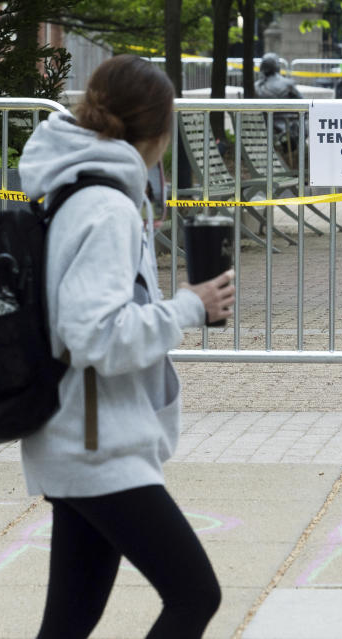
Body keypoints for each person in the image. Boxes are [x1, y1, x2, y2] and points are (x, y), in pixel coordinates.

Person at [17, 54, 234, 639]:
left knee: (67, 625)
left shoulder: (83, 191)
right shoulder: (106, 207)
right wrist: (191, 306)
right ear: (158, 133)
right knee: (194, 596)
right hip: (96, 445)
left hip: (81, 436)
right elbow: (92, 335)